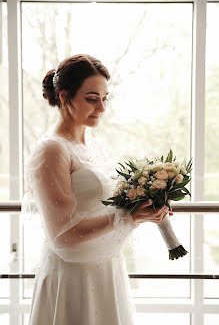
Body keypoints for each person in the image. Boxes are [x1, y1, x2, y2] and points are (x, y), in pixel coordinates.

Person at [22, 54, 170, 325]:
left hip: (106, 269)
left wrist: (141, 212)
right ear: (65, 96)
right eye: (92, 98)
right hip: (73, 278)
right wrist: (129, 217)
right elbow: (62, 235)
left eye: (105, 98)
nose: (101, 108)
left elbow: (106, 210)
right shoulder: (52, 150)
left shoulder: (93, 144)